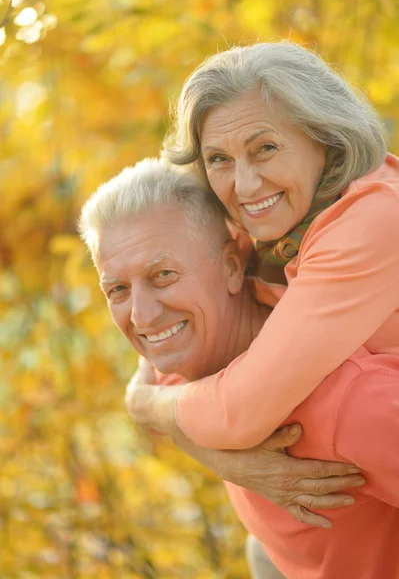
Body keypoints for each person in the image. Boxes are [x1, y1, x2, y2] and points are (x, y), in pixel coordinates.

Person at [79, 160, 399, 579]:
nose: (141, 316)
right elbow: (154, 403)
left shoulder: (350, 398)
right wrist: (230, 460)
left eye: (163, 275)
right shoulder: (180, 352)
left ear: (232, 266)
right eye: (117, 289)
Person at [122, 41, 399, 453]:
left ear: (324, 136)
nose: (245, 185)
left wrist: (147, 406)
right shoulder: (273, 232)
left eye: (265, 149)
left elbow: (240, 414)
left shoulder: (372, 221)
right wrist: (224, 459)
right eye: (219, 159)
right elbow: (170, 337)